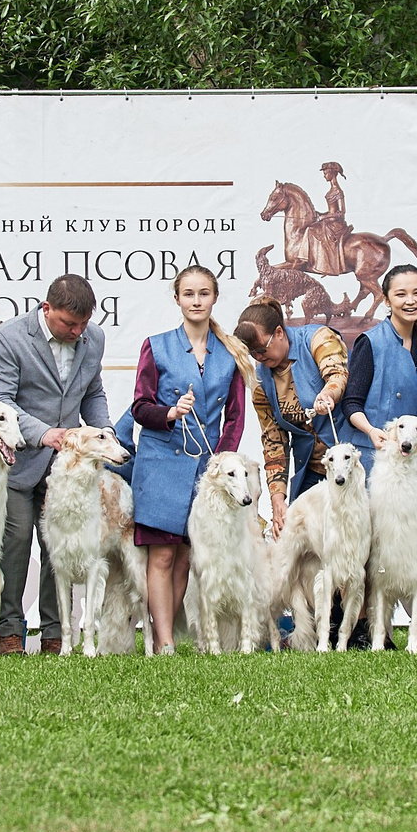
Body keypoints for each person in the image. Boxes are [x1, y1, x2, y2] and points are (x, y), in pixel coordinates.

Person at [0, 275, 111, 655]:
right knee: (18, 539)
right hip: (17, 462)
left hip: (66, 471)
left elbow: (93, 392)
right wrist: (45, 433)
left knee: (58, 547)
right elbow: (1, 401)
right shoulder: (8, 338)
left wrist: (103, 430)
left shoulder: (94, 339)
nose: (77, 332)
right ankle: (9, 631)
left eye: (83, 324)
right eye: (69, 324)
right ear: (46, 309)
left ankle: (57, 633)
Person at [131, 266, 248, 654]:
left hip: (207, 471)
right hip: (162, 462)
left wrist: (220, 461)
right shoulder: (156, 345)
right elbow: (140, 407)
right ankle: (164, 642)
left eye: (203, 294)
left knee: (186, 556)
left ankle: (169, 635)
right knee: (162, 554)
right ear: (177, 299)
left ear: (214, 298)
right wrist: (169, 412)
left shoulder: (230, 354)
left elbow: (235, 417)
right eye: (188, 294)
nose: (196, 301)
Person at [231, 299, 349, 522]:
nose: (259, 358)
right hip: (312, 470)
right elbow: (274, 440)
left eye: (262, 349)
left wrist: (328, 394)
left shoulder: (318, 338)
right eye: (252, 353)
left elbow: (337, 374)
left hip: (351, 463)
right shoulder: (260, 382)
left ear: (279, 333)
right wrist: (277, 499)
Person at [339, 263, 417, 472]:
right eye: (401, 294)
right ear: (386, 299)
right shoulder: (371, 342)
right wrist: (371, 430)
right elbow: (351, 403)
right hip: (374, 454)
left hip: (412, 459)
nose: (410, 301)